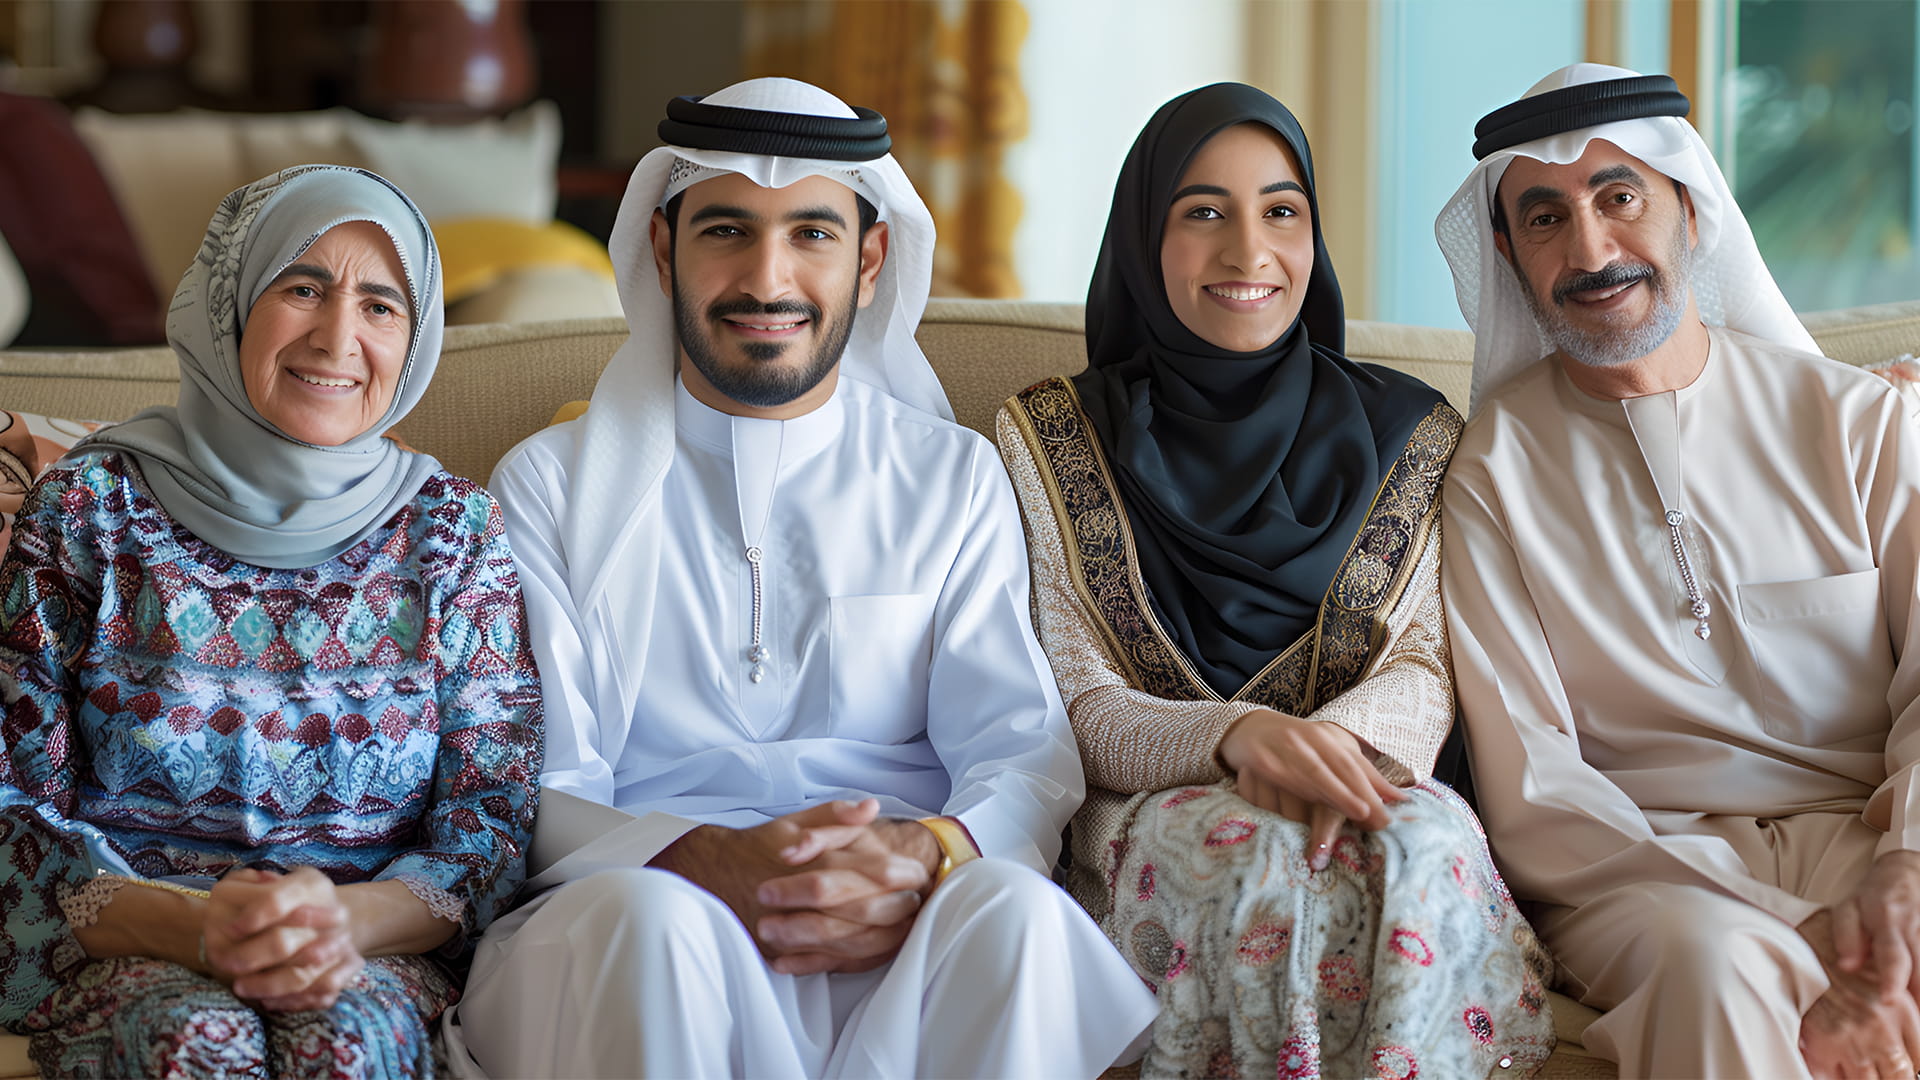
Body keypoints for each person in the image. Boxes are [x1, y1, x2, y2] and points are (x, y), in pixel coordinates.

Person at [445, 77, 1158, 1079]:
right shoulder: (551, 487)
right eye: (727, 230)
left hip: (897, 914)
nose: (766, 278)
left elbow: (1020, 751)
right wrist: (701, 859)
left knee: (1015, 914)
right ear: (663, 250)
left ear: (869, 261)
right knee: (651, 925)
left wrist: (925, 854)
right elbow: (535, 781)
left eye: (812, 234)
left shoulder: (951, 477)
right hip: (642, 900)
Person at [993, 82, 1554, 1078]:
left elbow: (1427, 665)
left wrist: (1329, 753)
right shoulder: (1047, 436)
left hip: (1369, 776)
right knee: (1254, 865)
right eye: (1203, 212)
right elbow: (1077, 699)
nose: (1249, 251)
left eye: (1281, 211)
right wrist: (1239, 739)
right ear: (1143, 238)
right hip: (1156, 807)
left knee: (1413, 849)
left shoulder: (1414, 431)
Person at [0, 164, 543, 1077]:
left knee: (343, 1042)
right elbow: (14, 804)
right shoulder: (91, 510)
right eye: (303, 288)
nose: (338, 337)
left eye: (380, 305)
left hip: (369, 949)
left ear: (415, 341)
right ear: (231, 302)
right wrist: (192, 927)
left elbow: (489, 823)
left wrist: (338, 924)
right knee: (198, 1041)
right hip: (128, 940)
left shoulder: (453, 534)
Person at [1438, 62, 1920, 1078]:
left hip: (1873, 838)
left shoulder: (1858, 422)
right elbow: (1534, 785)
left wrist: (1906, 865)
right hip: (1642, 880)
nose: (1590, 250)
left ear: (1691, 211)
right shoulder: (1490, 475)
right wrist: (1799, 930)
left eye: (1620, 198)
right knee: (1717, 965)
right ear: (1509, 254)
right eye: (1545, 219)